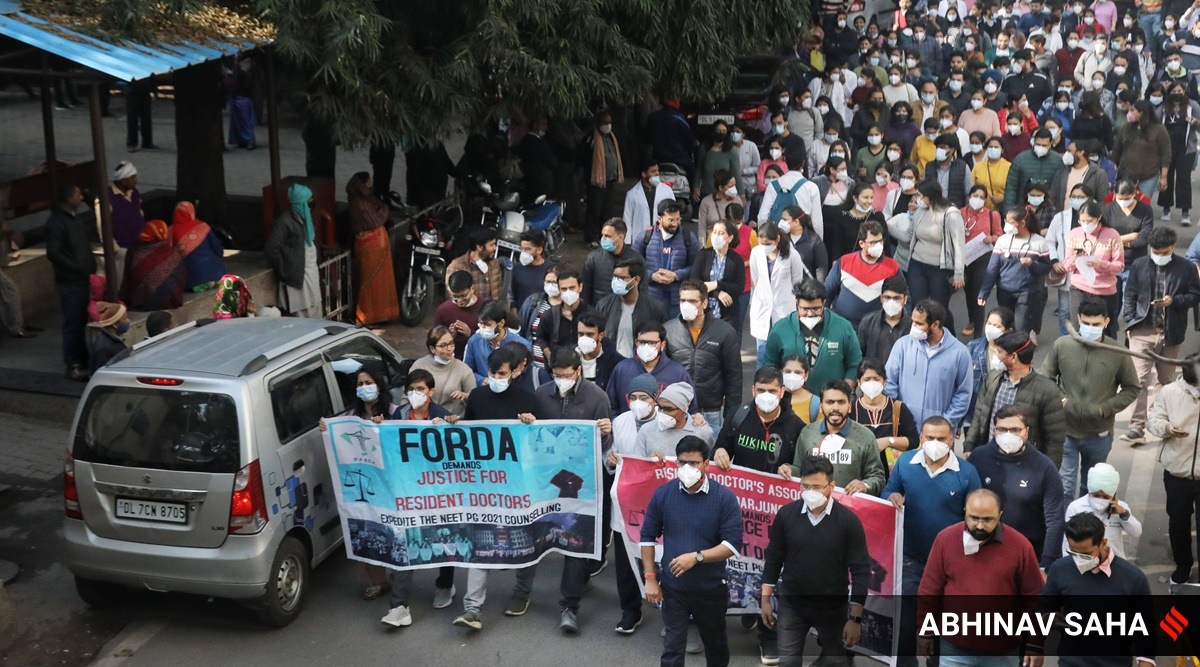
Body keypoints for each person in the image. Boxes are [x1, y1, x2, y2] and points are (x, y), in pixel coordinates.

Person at [514, 348, 613, 633]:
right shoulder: (542, 393)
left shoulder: (597, 398)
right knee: (535, 533)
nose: (561, 380)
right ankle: (522, 591)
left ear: (578, 372)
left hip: (581, 484)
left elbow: (605, 448)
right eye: (556, 375)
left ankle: (569, 606)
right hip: (545, 482)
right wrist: (526, 423)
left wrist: (605, 433)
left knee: (575, 540)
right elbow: (530, 437)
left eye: (566, 375)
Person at [453, 348, 547, 631]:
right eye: (492, 373)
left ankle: (522, 591)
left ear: (516, 371)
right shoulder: (478, 397)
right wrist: (452, 425)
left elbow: (541, 444)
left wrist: (533, 424)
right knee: (480, 540)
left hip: (519, 486)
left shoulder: (529, 400)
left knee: (524, 539)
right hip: (484, 485)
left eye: (502, 374)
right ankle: (472, 608)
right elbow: (467, 433)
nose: (495, 378)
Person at [882, 416, 981, 667]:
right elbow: (888, 491)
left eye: (940, 438)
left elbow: (976, 517)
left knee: (942, 618)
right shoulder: (905, 462)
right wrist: (892, 495)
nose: (934, 443)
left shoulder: (967, 472)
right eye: (929, 438)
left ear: (951, 439)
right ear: (921, 439)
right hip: (909, 558)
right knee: (905, 619)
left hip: (949, 563)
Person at [640, 435, 741, 667]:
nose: (688, 468)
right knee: (672, 650)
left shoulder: (724, 498)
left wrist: (697, 557)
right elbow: (647, 537)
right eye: (683, 462)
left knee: (715, 646)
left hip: (710, 590)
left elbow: (732, 545)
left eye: (694, 463)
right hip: (674, 589)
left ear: (706, 464)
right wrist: (650, 578)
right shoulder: (663, 494)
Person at [761, 454, 870, 667]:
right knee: (788, 663)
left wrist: (855, 619)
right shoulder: (787, 515)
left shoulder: (848, 522)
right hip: (792, 604)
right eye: (806, 486)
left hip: (833, 607)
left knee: (835, 662)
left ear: (832, 485)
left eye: (817, 487)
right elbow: (774, 557)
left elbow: (861, 571)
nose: (811, 493)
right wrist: (765, 600)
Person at [917, 488, 1045, 663]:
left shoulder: (1020, 546)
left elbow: (1035, 600)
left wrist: (1035, 643)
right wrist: (925, 631)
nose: (979, 526)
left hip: (1003, 650)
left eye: (987, 520)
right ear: (965, 511)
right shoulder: (945, 539)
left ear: (1000, 515)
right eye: (974, 518)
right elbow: (929, 591)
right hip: (954, 647)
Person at [1042, 299, 1142, 500]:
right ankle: (1065, 529)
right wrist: (1062, 401)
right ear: (1078, 319)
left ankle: (1085, 528)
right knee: (1064, 486)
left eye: (1096, 324)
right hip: (1065, 431)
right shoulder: (1062, 345)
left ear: (1106, 322)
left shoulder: (1118, 353)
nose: (1090, 328)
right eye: (1086, 323)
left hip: (1099, 434)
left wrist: (1106, 408)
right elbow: (1046, 379)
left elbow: (1132, 388)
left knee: (1091, 488)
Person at [1037, 512, 1156, 667]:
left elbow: (1145, 629)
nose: (1079, 560)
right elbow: (1044, 607)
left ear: (1103, 543)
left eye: (1086, 554)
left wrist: (1146, 661)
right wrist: (1049, 618)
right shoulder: (1059, 569)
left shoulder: (1133, 578)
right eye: (1074, 553)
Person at [1121, 227, 1200, 443]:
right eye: (1156, 251)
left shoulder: (1186, 268)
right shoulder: (1140, 265)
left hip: (1171, 333)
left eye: (1164, 252)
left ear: (1173, 248)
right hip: (1141, 330)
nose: (1159, 255)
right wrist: (1130, 322)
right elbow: (1130, 294)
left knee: (1165, 381)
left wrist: (1174, 301)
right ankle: (1136, 427)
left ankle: (1156, 422)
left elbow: (1194, 296)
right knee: (1138, 380)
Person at [605, 373, 662, 635]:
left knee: (661, 557)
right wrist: (611, 459)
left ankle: (671, 611)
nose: (638, 402)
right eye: (634, 398)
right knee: (626, 560)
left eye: (644, 398)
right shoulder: (620, 422)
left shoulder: (666, 422)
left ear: (655, 400)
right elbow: (610, 455)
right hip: (626, 505)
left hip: (657, 505)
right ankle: (630, 610)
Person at [965, 331, 1067, 467]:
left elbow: (1054, 438)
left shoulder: (1046, 390)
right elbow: (979, 416)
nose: (995, 355)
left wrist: (1049, 470)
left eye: (999, 352)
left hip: (1024, 464)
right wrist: (969, 446)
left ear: (1013, 357)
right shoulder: (992, 379)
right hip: (990, 458)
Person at [1148, 353, 1200, 585]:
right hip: (1177, 473)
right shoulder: (1169, 392)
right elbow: (1153, 421)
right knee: (1178, 523)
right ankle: (1183, 566)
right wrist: (1168, 427)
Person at [784, 380, 886, 496]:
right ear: (821, 407)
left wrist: (866, 484)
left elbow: (877, 477)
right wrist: (789, 470)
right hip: (814, 506)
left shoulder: (865, 436)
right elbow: (799, 469)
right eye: (830, 402)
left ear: (849, 406)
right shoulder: (807, 433)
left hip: (849, 508)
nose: (835, 407)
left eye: (841, 402)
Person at [763, 279, 863, 397]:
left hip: (831, 403)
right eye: (804, 309)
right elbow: (770, 365)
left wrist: (842, 393)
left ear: (824, 303)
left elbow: (855, 363)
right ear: (796, 304)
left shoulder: (843, 327)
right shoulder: (780, 329)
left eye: (816, 309)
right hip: (789, 401)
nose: (810, 314)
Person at [664, 280, 741, 431]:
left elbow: (734, 376)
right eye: (683, 300)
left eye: (692, 301)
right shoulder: (668, 331)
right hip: (676, 410)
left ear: (704, 303)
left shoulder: (724, 331)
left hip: (710, 411)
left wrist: (732, 415)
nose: (686, 305)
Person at [885, 299, 973, 430]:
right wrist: (897, 416)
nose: (913, 327)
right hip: (904, 430)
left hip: (939, 434)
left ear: (935, 325)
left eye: (919, 323)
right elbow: (889, 383)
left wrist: (945, 423)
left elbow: (963, 394)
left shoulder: (960, 353)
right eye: (912, 321)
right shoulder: (902, 345)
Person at [887, 182, 965, 329]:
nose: (918, 199)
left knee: (939, 308)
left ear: (930, 197)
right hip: (917, 264)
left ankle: (947, 337)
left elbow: (959, 245)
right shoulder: (921, 211)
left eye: (920, 196)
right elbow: (908, 237)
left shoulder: (951, 214)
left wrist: (959, 273)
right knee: (918, 304)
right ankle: (920, 336)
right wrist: (887, 227)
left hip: (940, 268)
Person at [976, 206, 1053, 335]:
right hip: (1004, 290)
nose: (1006, 226)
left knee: (1020, 327)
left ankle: (1020, 349)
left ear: (1022, 223)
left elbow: (1046, 268)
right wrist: (984, 292)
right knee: (1004, 326)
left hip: (1027, 291)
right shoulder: (1003, 240)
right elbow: (993, 268)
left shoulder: (1039, 242)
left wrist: (1032, 264)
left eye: (1010, 223)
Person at [45, 183, 93, 381]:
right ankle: (73, 363)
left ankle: (82, 359)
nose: (81, 197)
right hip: (71, 282)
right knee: (73, 323)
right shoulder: (57, 222)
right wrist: (77, 267)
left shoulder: (72, 219)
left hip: (81, 279)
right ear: (68, 198)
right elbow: (53, 253)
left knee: (80, 321)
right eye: (78, 194)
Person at [748, 222, 809, 365]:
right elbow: (755, 279)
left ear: (777, 239)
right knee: (762, 354)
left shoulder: (792, 255)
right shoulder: (756, 253)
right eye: (761, 243)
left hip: (783, 308)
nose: (764, 247)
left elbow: (797, 282)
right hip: (762, 309)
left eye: (768, 243)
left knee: (785, 354)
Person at [824, 220, 903, 328]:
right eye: (873, 242)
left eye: (880, 241)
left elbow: (904, 297)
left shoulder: (892, 267)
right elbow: (827, 292)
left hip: (876, 329)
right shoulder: (844, 262)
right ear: (862, 243)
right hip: (844, 326)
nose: (879, 246)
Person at [1063, 200, 1125, 336]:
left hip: (1105, 291)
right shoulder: (1074, 233)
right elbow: (1067, 265)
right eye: (1082, 221)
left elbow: (1119, 266)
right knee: (1077, 329)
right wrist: (1076, 257)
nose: (1086, 225)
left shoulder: (1112, 235)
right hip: (1079, 288)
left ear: (1099, 218)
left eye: (1089, 221)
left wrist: (1101, 264)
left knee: (1105, 331)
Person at [607, 321, 693, 416]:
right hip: (629, 428)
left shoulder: (677, 372)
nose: (646, 347)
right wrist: (618, 424)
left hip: (665, 429)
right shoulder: (622, 369)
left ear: (662, 345)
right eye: (642, 342)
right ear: (636, 342)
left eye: (652, 343)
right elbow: (611, 406)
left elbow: (690, 409)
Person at [852, 358, 918, 480]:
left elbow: (914, 440)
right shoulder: (851, 409)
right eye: (867, 379)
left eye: (876, 379)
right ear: (859, 383)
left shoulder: (897, 408)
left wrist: (889, 441)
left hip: (892, 475)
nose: (872, 383)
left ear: (884, 381)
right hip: (860, 476)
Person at [346, 172, 398, 325]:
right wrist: (385, 210)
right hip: (370, 244)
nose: (371, 183)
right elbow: (376, 219)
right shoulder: (359, 201)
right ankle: (368, 316)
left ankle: (384, 314)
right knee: (369, 281)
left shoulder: (365, 197)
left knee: (382, 279)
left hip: (376, 242)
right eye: (369, 181)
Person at [1063, 463, 1143, 559]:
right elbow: (1067, 542)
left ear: (1114, 494)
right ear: (1089, 490)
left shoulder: (1121, 508)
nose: (1100, 500)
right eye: (1096, 495)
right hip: (1083, 562)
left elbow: (1136, 532)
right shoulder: (1076, 507)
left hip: (1114, 563)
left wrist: (1123, 514)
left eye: (1106, 497)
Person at [594, 256, 668, 359]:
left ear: (636, 280)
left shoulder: (656, 309)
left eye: (622, 278)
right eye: (615, 276)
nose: (616, 281)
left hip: (641, 365)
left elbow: (663, 344)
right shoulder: (603, 305)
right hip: (611, 365)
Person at [265, 185, 321, 317]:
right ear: (301, 202)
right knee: (303, 313)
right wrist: (285, 266)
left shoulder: (304, 219)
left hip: (309, 272)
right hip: (297, 276)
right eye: (309, 200)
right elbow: (271, 249)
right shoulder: (284, 222)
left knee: (315, 309)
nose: (312, 201)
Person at [634, 201, 697, 317]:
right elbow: (634, 266)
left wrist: (676, 275)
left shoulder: (688, 237)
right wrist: (651, 275)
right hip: (651, 297)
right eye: (670, 220)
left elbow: (696, 266)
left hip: (678, 299)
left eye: (678, 219)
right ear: (659, 219)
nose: (675, 224)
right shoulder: (645, 237)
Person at [119, 219, 186, 312]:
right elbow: (183, 275)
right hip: (173, 299)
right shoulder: (171, 252)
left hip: (144, 301)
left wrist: (122, 298)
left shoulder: (134, 250)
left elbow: (127, 279)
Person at [410, 325, 477, 416]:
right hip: (423, 422)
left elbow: (475, 399)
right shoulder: (419, 366)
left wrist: (465, 396)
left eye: (451, 343)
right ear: (432, 349)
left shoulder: (464, 369)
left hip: (452, 424)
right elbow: (407, 396)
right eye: (443, 346)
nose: (449, 349)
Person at [1159, 81, 1200, 225]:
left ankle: (1185, 212)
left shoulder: (1192, 106)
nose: (1177, 94)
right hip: (1167, 149)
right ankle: (1166, 208)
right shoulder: (1163, 107)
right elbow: (1156, 125)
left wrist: (1196, 123)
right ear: (1169, 93)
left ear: (1184, 92)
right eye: (1174, 91)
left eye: (1180, 91)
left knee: (1184, 180)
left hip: (1186, 149)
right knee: (1166, 178)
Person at [1112, 99, 1171, 199]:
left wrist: (1164, 177)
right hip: (1126, 175)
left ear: (1142, 112)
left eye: (1132, 110)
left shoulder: (1159, 129)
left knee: (1143, 203)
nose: (1129, 113)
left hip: (1148, 176)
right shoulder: (1127, 127)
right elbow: (1117, 149)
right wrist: (1113, 166)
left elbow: (1166, 154)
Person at [691, 220, 744, 330]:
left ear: (730, 238)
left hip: (728, 315)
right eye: (714, 232)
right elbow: (694, 283)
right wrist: (717, 293)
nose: (716, 236)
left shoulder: (736, 260)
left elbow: (739, 288)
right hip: (704, 313)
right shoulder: (703, 255)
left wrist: (717, 284)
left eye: (721, 233)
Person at [463, 301, 531, 385]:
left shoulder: (521, 345)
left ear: (501, 323)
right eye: (481, 324)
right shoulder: (474, 341)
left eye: (487, 324)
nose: (483, 328)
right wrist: (481, 380)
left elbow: (528, 373)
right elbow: (467, 370)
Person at [1103, 180, 1155, 286]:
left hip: (1135, 264)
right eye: (1120, 199)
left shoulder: (1145, 210)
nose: (1123, 202)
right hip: (1112, 263)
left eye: (1127, 199)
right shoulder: (1107, 210)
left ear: (1134, 194)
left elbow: (1143, 240)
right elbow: (1103, 239)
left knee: (1128, 301)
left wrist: (1116, 242)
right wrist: (1130, 236)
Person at [535, 268, 594, 363]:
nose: (568, 292)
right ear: (559, 290)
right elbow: (541, 337)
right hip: (557, 368)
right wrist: (550, 356)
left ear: (580, 287)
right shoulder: (549, 315)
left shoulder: (591, 314)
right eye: (564, 289)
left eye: (572, 288)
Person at [585, 111, 624, 246]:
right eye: (605, 123)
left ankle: (605, 236)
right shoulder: (592, 138)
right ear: (598, 124)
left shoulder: (611, 137)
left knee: (607, 210)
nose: (608, 126)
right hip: (597, 181)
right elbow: (585, 159)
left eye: (609, 123)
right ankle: (591, 237)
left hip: (609, 180)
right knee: (595, 209)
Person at [170, 201, 226, 293]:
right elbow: (218, 249)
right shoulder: (202, 226)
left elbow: (171, 257)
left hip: (192, 281)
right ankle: (213, 281)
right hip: (218, 274)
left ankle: (200, 285)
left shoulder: (171, 231)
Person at [1003, 129, 1064, 212]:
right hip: (1023, 207)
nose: (1040, 147)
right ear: (1033, 142)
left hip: (1048, 210)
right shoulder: (1020, 159)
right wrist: (1008, 211)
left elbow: (1061, 188)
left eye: (1044, 145)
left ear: (1050, 144)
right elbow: (1011, 187)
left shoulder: (1058, 161)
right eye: (1038, 144)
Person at [582, 219, 640, 304]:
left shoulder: (635, 259)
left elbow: (642, 290)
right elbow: (586, 290)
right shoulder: (593, 258)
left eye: (607, 236)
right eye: (602, 235)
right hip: (598, 311)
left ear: (620, 237)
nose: (603, 239)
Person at [856, 276, 911, 365]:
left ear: (905, 299)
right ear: (881, 298)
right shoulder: (868, 322)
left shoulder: (912, 326)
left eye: (897, 298)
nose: (891, 302)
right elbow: (859, 355)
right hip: (874, 376)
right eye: (887, 297)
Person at [435, 271, 488, 361]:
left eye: (463, 296)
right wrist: (449, 337)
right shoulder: (443, 310)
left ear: (472, 288)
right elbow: (434, 341)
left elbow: (493, 339)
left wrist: (471, 334)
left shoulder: (486, 307)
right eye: (455, 297)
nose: (459, 300)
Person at [824, 182, 884, 261]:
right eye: (866, 197)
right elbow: (837, 244)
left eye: (871, 197)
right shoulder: (843, 217)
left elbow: (885, 244)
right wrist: (835, 263)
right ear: (855, 198)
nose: (869, 201)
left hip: (872, 262)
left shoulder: (877, 216)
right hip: (849, 262)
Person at [757, 168, 824, 238]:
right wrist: (818, 241)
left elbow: (762, 217)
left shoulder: (772, 185)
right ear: (803, 163)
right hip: (801, 238)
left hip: (777, 237)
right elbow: (817, 222)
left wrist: (764, 238)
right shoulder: (811, 187)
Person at [108, 161, 144, 293]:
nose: (135, 180)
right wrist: (115, 248)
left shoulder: (134, 193)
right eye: (132, 177)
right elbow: (103, 226)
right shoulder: (108, 197)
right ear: (123, 179)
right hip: (122, 249)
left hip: (138, 246)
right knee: (122, 283)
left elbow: (140, 213)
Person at [621, 161, 676, 245]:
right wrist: (627, 243)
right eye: (653, 171)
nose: (657, 173)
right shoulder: (632, 194)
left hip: (663, 238)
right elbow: (627, 221)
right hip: (641, 239)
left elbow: (674, 215)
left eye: (657, 171)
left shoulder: (667, 191)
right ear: (644, 174)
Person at [445, 226, 505, 303]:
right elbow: (452, 298)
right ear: (479, 247)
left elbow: (497, 296)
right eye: (491, 245)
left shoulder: (494, 265)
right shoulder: (456, 266)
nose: (495, 248)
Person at [575, 312, 623, 392]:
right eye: (580, 334)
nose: (584, 339)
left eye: (590, 334)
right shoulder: (570, 359)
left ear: (601, 335)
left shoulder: (616, 362)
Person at [781, 206, 828, 281]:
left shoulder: (814, 240)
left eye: (785, 220)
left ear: (796, 222)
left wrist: (820, 288)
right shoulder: (781, 238)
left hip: (805, 287)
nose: (781, 223)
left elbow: (821, 268)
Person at [510, 229, 553, 310]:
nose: (523, 252)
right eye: (521, 248)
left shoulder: (551, 270)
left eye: (527, 249)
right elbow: (512, 296)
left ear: (539, 250)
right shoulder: (517, 268)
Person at [518, 116, 558, 199]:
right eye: (543, 124)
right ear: (535, 125)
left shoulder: (524, 140)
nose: (546, 127)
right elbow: (552, 162)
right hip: (542, 183)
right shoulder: (539, 143)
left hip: (528, 182)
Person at [696, 170, 739, 245]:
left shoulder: (737, 200)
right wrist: (702, 247)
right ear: (720, 188)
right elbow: (702, 228)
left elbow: (740, 224)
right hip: (712, 244)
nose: (733, 189)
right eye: (730, 186)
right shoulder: (706, 202)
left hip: (732, 245)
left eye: (734, 185)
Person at [86, 301, 129, 374]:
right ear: (115, 324)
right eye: (125, 318)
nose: (128, 321)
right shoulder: (103, 349)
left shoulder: (114, 340)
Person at [972, 137, 1011, 210]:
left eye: (996, 147)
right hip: (980, 209)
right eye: (990, 147)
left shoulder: (1009, 167)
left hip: (1001, 209)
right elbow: (972, 188)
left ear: (1002, 150)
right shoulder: (978, 166)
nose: (993, 149)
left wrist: (1003, 197)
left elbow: (1014, 189)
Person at [227, 57, 257, 150]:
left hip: (243, 98)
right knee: (239, 122)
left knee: (245, 121)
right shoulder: (238, 70)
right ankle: (242, 140)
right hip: (238, 97)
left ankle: (249, 140)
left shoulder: (245, 71)